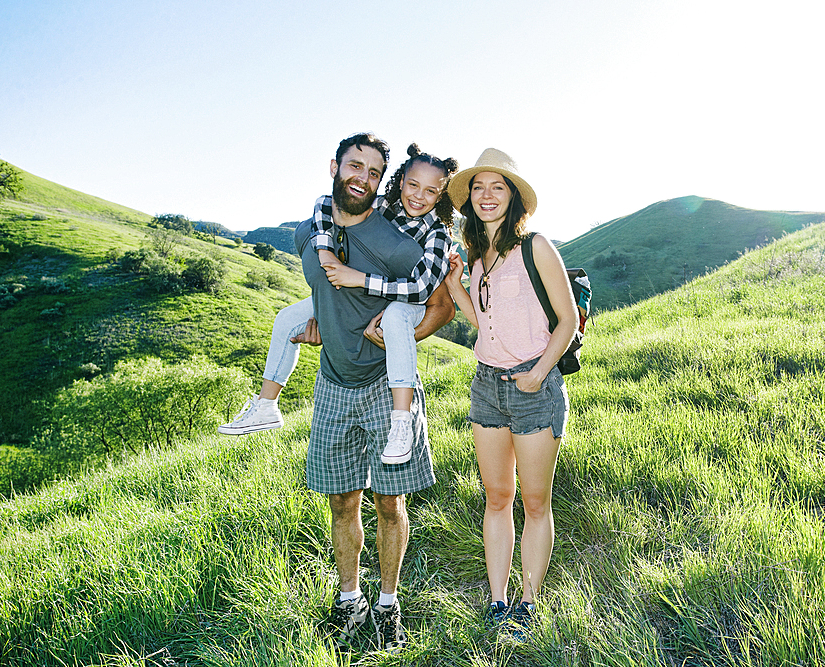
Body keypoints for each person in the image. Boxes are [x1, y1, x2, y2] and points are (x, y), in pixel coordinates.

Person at [295, 133, 455, 651]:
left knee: (390, 504)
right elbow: (322, 292)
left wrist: (399, 334)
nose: (361, 178)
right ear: (336, 167)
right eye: (354, 167)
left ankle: (387, 604)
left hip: (387, 388)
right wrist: (321, 321)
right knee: (343, 502)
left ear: (380, 180)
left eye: (372, 171)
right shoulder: (308, 231)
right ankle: (348, 600)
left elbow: (440, 305)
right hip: (333, 386)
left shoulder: (398, 242)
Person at [218, 145, 458, 468]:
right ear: (401, 181)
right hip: (359, 318)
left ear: (441, 195)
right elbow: (324, 204)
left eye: (431, 191)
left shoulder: (436, 232)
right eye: (413, 185)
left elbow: (424, 291)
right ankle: (266, 405)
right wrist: (325, 252)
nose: (418, 196)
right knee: (287, 319)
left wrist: (358, 279)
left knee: (399, 314)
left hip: (403, 305)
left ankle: (401, 419)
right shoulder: (382, 206)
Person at [443, 148, 577, 637]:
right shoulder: (479, 256)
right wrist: (458, 286)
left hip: (533, 386)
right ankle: (498, 600)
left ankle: (528, 602)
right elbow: (484, 323)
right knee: (497, 498)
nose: (486, 196)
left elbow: (567, 322)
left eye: (497, 187)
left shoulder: (536, 246)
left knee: (535, 502)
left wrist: (539, 373)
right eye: (478, 187)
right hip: (486, 387)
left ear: (514, 197)